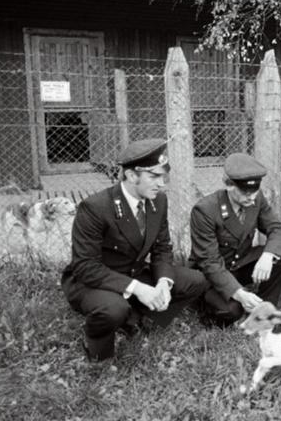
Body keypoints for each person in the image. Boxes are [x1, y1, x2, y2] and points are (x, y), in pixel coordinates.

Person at [62, 139, 208, 361]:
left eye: (163, 177)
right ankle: (98, 349)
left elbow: (162, 248)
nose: (162, 184)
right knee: (113, 309)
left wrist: (163, 283)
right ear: (131, 176)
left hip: (132, 273)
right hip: (94, 281)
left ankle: (140, 319)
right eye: (154, 177)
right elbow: (85, 267)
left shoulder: (158, 201)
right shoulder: (95, 208)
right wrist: (139, 288)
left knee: (195, 280)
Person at [188, 153, 281, 328]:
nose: (251, 197)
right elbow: (209, 262)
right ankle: (205, 309)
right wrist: (239, 293)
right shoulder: (205, 210)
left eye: (255, 191)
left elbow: (276, 228)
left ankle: (267, 311)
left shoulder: (256, 199)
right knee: (232, 310)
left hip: (239, 265)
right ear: (229, 185)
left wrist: (267, 256)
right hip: (211, 276)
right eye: (245, 191)